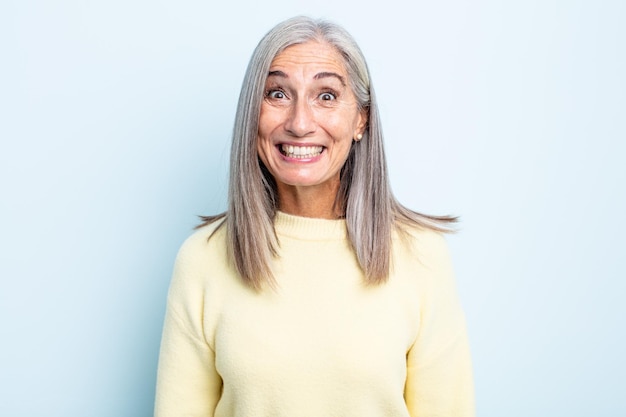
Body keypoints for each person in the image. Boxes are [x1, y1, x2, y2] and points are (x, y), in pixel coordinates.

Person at [154, 16, 474, 417]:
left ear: (361, 119)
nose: (300, 123)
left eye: (326, 96)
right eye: (277, 94)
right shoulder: (202, 258)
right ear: (252, 114)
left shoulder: (423, 256)